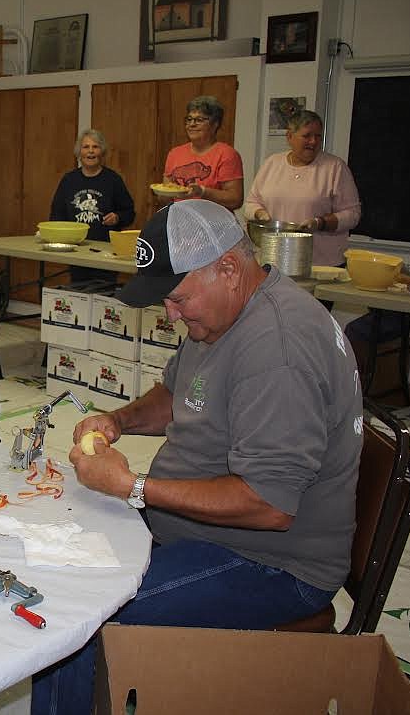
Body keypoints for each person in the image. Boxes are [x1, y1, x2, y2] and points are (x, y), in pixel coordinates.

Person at [32, 199, 363, 715]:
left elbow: (269, 504)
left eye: (178, 298)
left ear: (227, 268)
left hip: (272, 562)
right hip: (207, 532)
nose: (171, 313)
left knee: (81, 621)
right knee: (54, 562)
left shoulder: (277, 350)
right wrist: (117, 421)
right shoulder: (222, 314)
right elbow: (177, 393)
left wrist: (133, 487)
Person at [244, 109, 362, 266]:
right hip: (274, 261)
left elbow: (353, 214)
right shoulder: (272, 163)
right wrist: (259, 214)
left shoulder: (335, 168)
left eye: (318, 136)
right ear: (289, 136)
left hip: (321, 264)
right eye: (307, 136)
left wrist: (320, 223)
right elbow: (251, 203)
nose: (313, 141)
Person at [49, 129, 135, 241]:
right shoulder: (68, 180)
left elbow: (129, 213)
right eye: (86, 147)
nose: (91, 151)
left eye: (95, 147)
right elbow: (56, 215)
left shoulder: (113, 180)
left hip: (104, 247)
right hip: (72, 245)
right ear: (79, 152)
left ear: (102, 152)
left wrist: (117, 218)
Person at [161, 96, 244, 210]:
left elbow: (235, 199)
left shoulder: (227, 154)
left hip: (213, 223)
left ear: (215, 124)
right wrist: (162, 194)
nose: (192, 124)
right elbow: (165, 195)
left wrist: (203, 192)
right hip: (180, 220)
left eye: (199, 120)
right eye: (189, 119)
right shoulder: (174, 154)